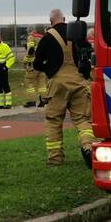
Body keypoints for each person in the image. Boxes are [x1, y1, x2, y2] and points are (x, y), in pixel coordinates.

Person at [33, 9, 95, 167]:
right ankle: (88, 147)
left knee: (54, 120)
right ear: (65, 19)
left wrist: (50, 70)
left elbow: (37, 64)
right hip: (79, 81)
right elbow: (88, 53)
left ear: (50, 21)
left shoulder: (47, 38)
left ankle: (55, 158)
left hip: (57, 84)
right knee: (84, 120)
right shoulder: (77, 35)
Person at [23, 26, 47, 107]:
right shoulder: (43, 37)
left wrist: (25, 61)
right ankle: (43, 101)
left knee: (29, 82)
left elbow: (30, 51)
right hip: (43, 64)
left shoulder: (31, 37)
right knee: (42, 83)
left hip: (33, 64)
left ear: (29, 31)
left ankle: (31, 101)